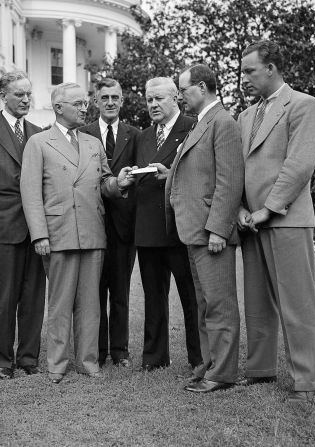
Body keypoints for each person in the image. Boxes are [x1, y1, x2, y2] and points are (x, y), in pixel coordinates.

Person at [20, 82, 136, 384]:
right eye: (79, 103)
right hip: (58, 234)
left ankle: (88, 362)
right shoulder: (39, 142)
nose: (85, 107)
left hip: (93, 233)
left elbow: (104, 183)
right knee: (59, 304)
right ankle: (57, 364)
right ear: (59, 107)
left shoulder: (93, 143)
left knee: (90, 304)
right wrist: (40, 235)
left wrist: (118, 183)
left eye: (86, 102)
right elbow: (31, 193)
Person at [237, 40, 315, 403]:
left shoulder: (304, 105)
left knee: (297, 304)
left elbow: (299, 166)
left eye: (249, 71)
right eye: (242, 72)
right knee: (256, 302)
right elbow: (239, 169)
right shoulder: (244, 116)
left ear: (271, 68)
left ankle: (308, 381)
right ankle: (259, 369)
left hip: (286, 219)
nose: (243, 79)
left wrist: (267, 209)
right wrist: (241, 208)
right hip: (250, 222)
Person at [154, 64, 244, 393]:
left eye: (184, 89)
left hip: (211, 232)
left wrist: (220, 229)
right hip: (194, 230)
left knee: (219, 304)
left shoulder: (222, 122)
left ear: (203, 87)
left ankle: (222, 373)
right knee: (205, 303)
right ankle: (210, 366)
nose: (180, 95)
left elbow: (230, 180)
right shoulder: (201, 123)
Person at [0, 71, 46, 380]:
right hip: (2, 226)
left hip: (35, 227)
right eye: (19, 94)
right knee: (4, 298)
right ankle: (3, 360)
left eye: (29, 94)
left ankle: (28, 358)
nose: (26, 99)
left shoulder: (38, 131)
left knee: (33, 296)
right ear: (4, 95)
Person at [134, 77, 203, 374]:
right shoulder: (143, 136)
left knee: (191, 295)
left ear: (175, 98)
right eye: (149, 100)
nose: (153, 105)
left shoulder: (194, 126)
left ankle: (199, 356)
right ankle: (154, 356)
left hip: (180, 225)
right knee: (153, 295)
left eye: (159, 99)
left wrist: (172, 174)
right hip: (148, 226)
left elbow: (201, 170)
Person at [79, 78, 139, 368]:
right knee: (93, 291)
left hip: (125, 227)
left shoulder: (135, 135)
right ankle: (97, 350)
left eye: (116, 97)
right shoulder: (82, 134)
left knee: (120, 291)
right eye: (105, 98)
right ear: (96, 102)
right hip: (93, 223)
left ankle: (120, 350)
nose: (111, 102)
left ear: (123, 101)